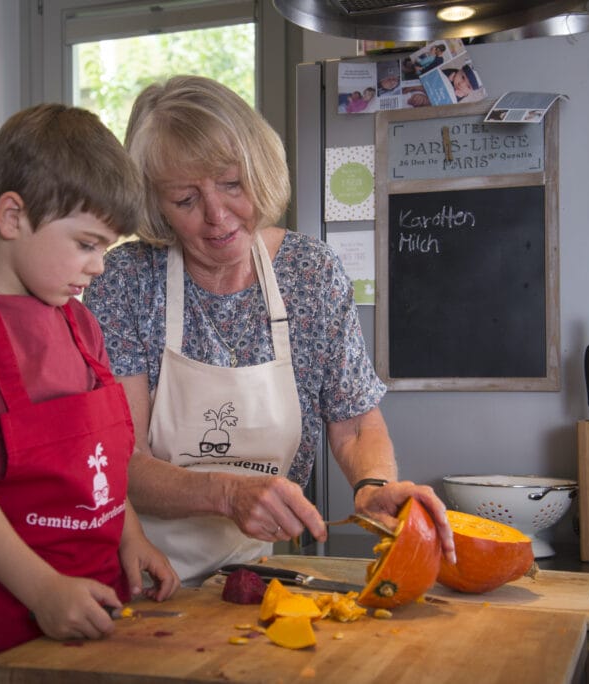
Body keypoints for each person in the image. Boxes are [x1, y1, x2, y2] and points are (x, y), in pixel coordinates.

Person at [83, 75, 455, 586]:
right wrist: (226, 494)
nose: (217, 216)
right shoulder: (125, 280)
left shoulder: (310, 272)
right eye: (185, 200)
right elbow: (120, 460)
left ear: (259, 170)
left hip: (251, 575)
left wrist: (372, 488)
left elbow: (355, 424)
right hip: (136, 572)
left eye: (233, 184)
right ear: (154, 204)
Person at [0, 103, 179, 683]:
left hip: (97, 605)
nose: (99, 266)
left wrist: (131, 536)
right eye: (86, 244)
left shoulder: (81, 324)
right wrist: (43, 589)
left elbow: (99, 464)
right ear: (13, 216)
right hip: (2, 614)